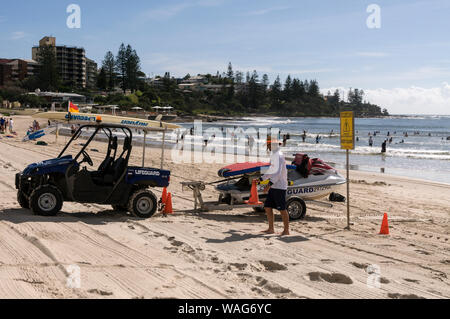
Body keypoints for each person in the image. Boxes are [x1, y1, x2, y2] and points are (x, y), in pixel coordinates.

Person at [259, 139, 289, 236]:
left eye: (269, 145)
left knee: (282, 209)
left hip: (280, 186)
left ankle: (286, 230)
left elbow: (277, 174)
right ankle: (271, 229)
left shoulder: (279, 156)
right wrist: (261, 178)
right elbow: (271, 170)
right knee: (267, 207)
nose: (268, 147)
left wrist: (268, 185)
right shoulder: (274, 155)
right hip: (274, 185)